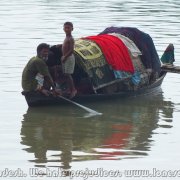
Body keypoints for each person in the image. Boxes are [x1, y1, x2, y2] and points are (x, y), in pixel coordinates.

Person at [61, 22, 77, 98]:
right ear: (63, 29)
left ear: (72, 29)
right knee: (65, 74)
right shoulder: (66, 37)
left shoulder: (71, 38)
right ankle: (68, 89)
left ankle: (73, 90)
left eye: (68, 28)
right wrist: (60, 45)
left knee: (68, 74)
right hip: (66, 57)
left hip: (69, 57)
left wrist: (65, 57)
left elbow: (71, 50)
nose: (67, 29)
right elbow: (66, 46)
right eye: (65, 28)